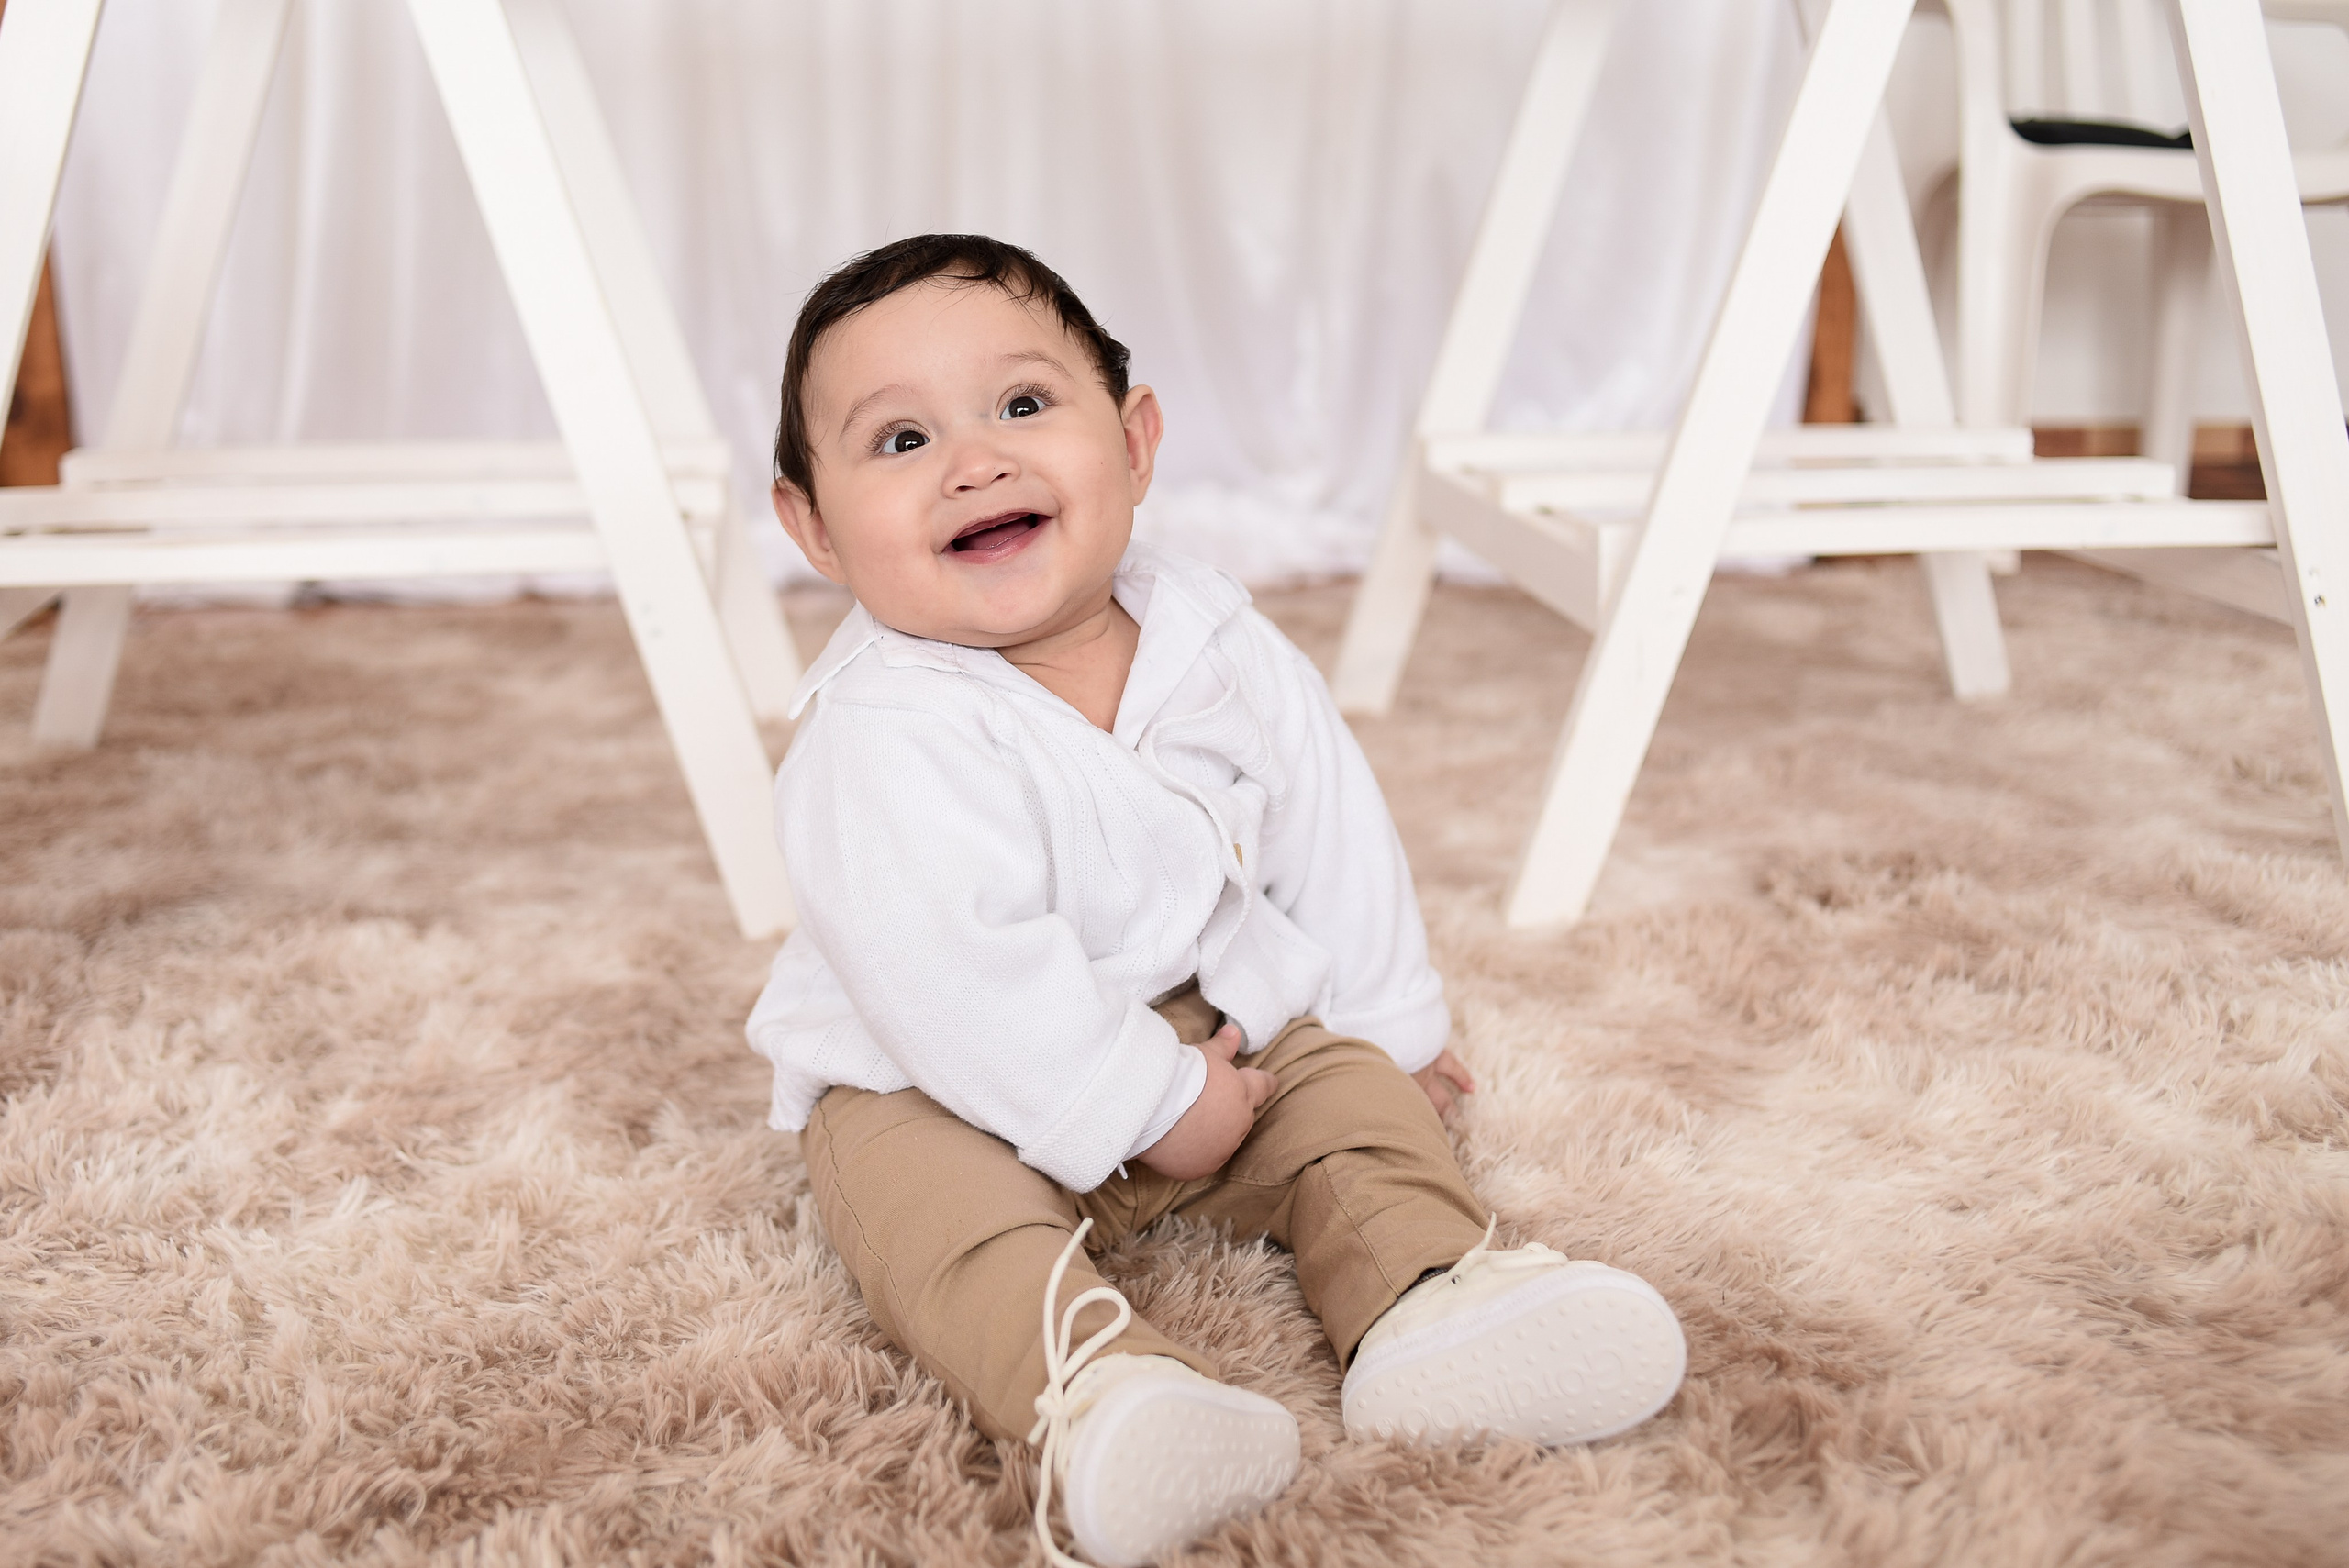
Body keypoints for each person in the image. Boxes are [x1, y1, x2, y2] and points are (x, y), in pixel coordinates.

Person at [747, 234, 1686, 1567]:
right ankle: (1098, 1388)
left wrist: (1387, 1024)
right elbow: (952, 971)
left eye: (1023, 405)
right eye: (899, 440)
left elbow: (1327, 826)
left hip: (1213, 1033)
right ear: (814, 528)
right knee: (914, 1208)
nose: (974, 460)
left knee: (1348, 1094)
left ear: (1134, 443)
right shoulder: (882, 729)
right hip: (939, 1071)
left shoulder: (1216, 640)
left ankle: (1428, 1293)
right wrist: (1148, 1105)